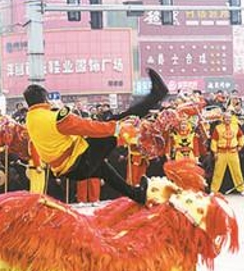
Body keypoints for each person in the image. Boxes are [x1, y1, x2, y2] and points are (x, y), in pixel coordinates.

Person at [23, 68, 168, 205]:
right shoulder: (54, 118)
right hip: (80, 159)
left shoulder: (30, 119)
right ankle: (157, 95)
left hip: (70, 169)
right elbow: (87, 127)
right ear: (44, 99)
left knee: (105, 171)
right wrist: (115, 127)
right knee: (121, 118)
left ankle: (137, 195)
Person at [209, 112, 244, 195]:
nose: (227, 119)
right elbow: (214, 140)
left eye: (229, 118)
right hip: (221, 152)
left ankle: (241, 189)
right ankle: (213, 190)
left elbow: (241, 136)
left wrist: (240, 146)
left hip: (233, 152)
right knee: (218, 172)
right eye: (226, 118)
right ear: (223, 118)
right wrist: (214, 152)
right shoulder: (218, 128)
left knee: (237, 171)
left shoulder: (236, 127)